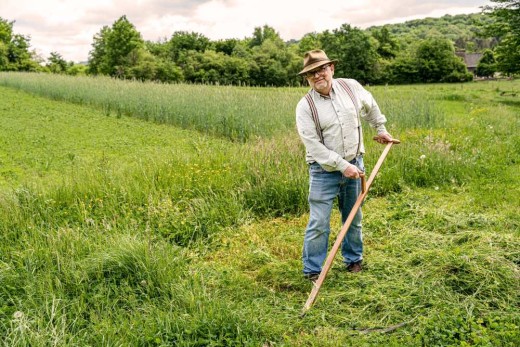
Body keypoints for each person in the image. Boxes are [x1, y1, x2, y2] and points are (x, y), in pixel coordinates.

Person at [295, 50, 393, 281]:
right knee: (319, 221)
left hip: (355, 163)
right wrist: (341, 165)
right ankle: (313, 270)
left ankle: (353, 260)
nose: (317, 75)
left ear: (331, 68)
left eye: (321, 69)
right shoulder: (305, 106)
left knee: (353, 216)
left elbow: (370, 105)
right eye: (311, 73)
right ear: (307, 78)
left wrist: (380, 128)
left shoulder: (351, 87)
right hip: (323, 171)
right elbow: (313, 145)